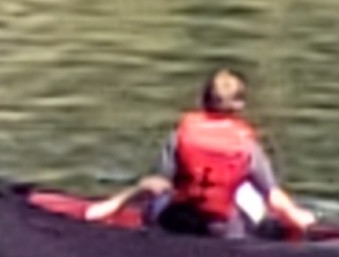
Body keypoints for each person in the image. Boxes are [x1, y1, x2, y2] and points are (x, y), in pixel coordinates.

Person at [90, 68, 318, 238]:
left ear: (203, 100)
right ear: (240, 106)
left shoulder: (180, 135)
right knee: (249, 193)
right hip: (222, 230)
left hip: (176, 222)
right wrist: (298, 217)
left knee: (161, 191)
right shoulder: (247, 145)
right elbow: (273, 196)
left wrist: (113, 204)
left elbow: (157, 185)